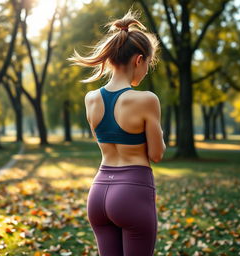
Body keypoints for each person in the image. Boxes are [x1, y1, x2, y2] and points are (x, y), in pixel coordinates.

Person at [68, 9, 166, 256]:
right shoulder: (146, 100)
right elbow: (156, 154)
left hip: (98, 192)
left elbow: (106, 140)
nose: (146, 71)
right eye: (148, 64)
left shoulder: (91, 99)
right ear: (138, 60)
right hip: (132, 192)